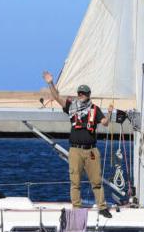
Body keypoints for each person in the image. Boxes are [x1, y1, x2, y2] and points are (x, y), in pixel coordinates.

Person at [41, 71, 112, 217]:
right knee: (75, 181)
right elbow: (56, 97)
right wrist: (50, 83)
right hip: (75, 150)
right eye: (79, 93)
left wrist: (109, 113)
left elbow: (105, 123)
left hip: (91, 150)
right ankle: (77, 207)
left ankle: (102, 207)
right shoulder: (71, 106)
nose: (81, 95)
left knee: (96, 181)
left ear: (89, 95)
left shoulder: (95, 109)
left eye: (84, 93)